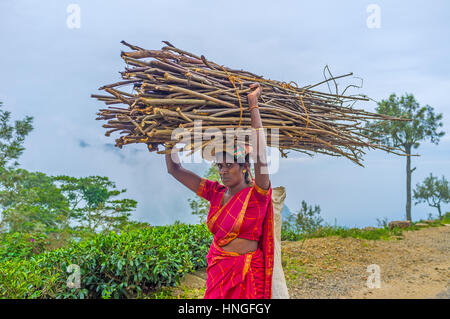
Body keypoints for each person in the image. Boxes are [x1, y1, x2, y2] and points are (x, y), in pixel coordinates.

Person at [165, 83, 274, 299]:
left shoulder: (258, 195)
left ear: (244, 167)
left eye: (229, 166)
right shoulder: (214, 192)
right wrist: (167, 136)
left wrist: (253, 105)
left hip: (247, 275)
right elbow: (174, 169)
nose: (223, 171)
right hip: (218, 271)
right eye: (220, 166)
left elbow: (261, 156)